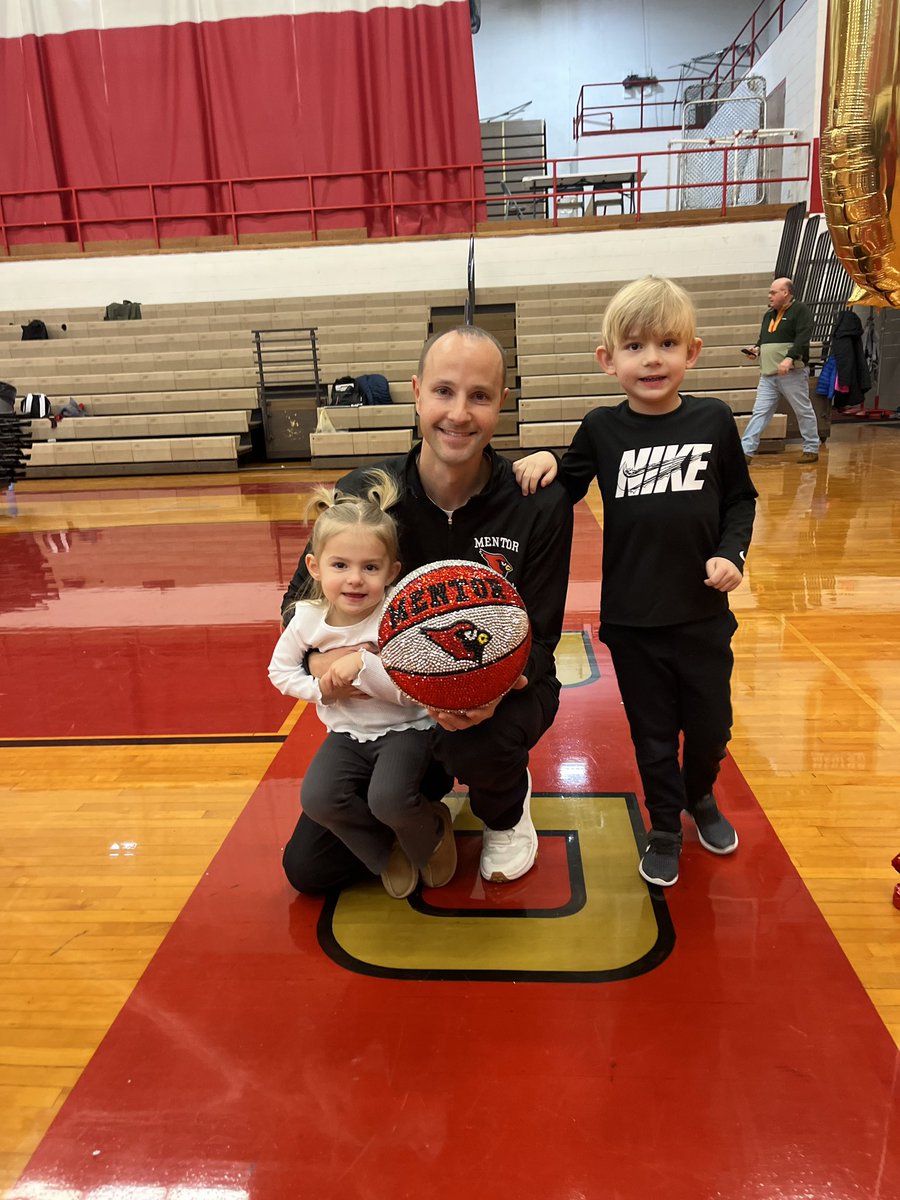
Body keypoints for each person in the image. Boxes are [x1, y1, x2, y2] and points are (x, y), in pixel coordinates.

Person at [280, 324, 573, 893]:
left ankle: (506, 810)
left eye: (479, 396)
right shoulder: (365, 491)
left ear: (501, 405)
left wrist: (488, 693)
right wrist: (322, 665)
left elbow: (540, 640)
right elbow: (298, 607)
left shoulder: (537, 503)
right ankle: (419, 816)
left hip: (495, 699)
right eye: (443, 391)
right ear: (416, 392)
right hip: (394, 713)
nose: (459, 414)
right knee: (309, 870)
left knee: (482, 741)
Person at [513, 276, 757, 887]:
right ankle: (666, 827)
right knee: (652, 736)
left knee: (710, 728)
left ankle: (701, 796)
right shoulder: (601, 429)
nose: (652, 358)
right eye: (635, 346)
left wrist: (733, 554)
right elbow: (561, 491)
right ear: (608, 359)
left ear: (692, 352)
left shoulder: (714, 420)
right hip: (633, 622)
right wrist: (545, 461)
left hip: (702, 616)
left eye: (667, 343)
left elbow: (740, 500)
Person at [269, 469, 457, 899]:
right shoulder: (306, 619)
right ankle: (383, 851)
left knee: (388, 799)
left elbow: (417, 685)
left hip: (405, 729)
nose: (355, 579)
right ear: (314, 568)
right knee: (317, 798)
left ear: (392, 571)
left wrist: (363, 665)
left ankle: (429, 835)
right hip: (348, 733)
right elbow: (280, 672)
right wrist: (322, 691)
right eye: (340, 565)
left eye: (369, 567)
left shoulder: (398, 614)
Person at [740, 277, 820, 464]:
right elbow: (764, 339)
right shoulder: (769, 315)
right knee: (760, 412)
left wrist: (790, 357)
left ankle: (811, 448)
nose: (770, 296)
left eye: (773, 292)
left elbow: (803, 337)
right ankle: (746, 451)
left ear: (786, 293)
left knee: (802, 410)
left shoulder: (800, 310)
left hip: (792, 374)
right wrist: (756, 349)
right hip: (768, 374)